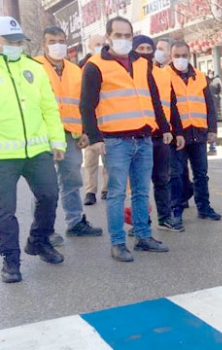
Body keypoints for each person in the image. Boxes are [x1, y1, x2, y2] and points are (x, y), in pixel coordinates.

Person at [81, 17, 174, 262]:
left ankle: (143, 236)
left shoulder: (143, 63)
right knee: (116, 193)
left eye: (127, 35)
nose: (123, 40)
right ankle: (118, 243)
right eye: (118, 35)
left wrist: (164, 127)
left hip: (144, 137)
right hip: (115, 141)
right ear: (108, 36)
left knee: (142, 191)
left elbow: (154, 98)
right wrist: (94, 137)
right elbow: (86, 105)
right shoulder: (95, 65)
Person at [0, 16, 66, 283]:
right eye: (11, 41)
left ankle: (38, 241)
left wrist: (57, 142)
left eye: (20, 41)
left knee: (49, 196)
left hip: (38, 150)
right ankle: (11, 261)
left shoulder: (34, 68)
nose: (17, 45)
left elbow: (49, 107)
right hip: (4, 154)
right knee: (5, 211)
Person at [35, 26, 103, 246]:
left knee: (71, 180)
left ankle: (74, 223)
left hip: (70, 135)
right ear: (43, 45)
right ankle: (46, 230)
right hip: (41, 134)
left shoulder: (76, 70)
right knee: (46, 185)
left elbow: (83, 104)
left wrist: (85, 131)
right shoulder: (33, 67)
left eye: (61, 40)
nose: (58, 45)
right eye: (52, 41)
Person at [132, 35, 185, 232]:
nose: (145, 52)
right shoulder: (129, 74)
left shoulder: (163, 74)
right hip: (138, 135)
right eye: (140, 48)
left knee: (163, 179)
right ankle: (140, 221)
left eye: (148, 48)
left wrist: (176, 131)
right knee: (140, 184)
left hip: (161, 135)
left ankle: (165, 218)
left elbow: (172, 104)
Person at [167, 41, 222, 225]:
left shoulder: (199, 76)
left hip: (198, 131)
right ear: (171, 56)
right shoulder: (164, 76)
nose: (180, 59)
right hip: (177, 134)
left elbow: (209, 105)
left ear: (189, 56)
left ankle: (204, 207)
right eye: (177, 55)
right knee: (175, 174)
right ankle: (176, 209)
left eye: (184, 55)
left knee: (201, 174)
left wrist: (212, 129)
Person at [156, 37, 194, 208]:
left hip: (188, 129)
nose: (162, 53)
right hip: (167, 129)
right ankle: (175, 204)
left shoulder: (196, 75)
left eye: (164, 49)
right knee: (174, 170)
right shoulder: (161, 74)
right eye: (160, 49)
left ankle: (183, 196)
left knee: (184, 170)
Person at [81, 34, 108, 205]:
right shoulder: (83, 67)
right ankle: (90, 191)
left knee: (108, 159)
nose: (100, 46)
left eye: (102, 44)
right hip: (90, 121)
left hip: (107, 119)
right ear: (90, 46)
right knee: (90, 160)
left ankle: (107, 188)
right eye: (97, 44)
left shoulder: (108, 65)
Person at [207, 69, 222, 156]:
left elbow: (221, 91)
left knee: (212, 129)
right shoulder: (206, 80)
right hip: (207, 108)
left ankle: (213, 148)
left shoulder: (217, 80)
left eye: (212, 73)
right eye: (209, 73)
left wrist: (218, 97)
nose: (210, 74)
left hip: (215, 107)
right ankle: (212, 147)